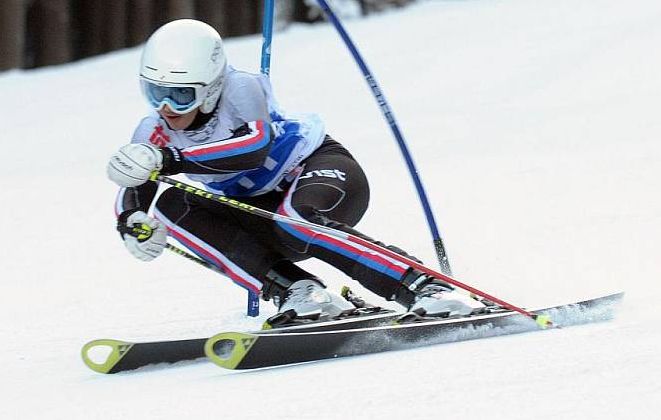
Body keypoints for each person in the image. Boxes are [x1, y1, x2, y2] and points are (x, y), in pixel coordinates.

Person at [106, 19, 484, 322]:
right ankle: (298, 290)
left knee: (296, 218)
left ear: (210, 86)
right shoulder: (152, 131)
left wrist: (171, 160)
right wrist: (132, 222)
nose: (167, 107)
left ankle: (422, 285)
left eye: (181, 94)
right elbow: (134, 185)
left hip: (320, 171)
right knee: (172, 206)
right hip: (261, 212)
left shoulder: (241, 88)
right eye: (155, 93)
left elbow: (253, 148)